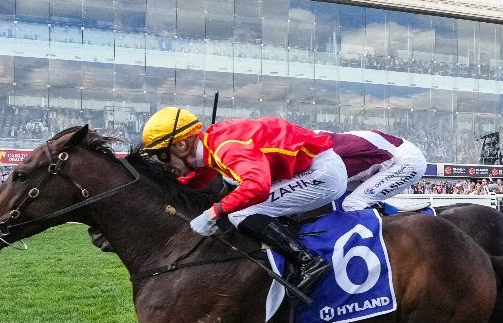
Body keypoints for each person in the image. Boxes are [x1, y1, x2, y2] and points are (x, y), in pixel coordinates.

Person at [141, 106, 348, 295]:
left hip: (322, 173)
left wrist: (212, 213)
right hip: (308, 168)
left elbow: (257, 186)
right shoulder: (211, 144)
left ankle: (308, 261)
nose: (164, 164)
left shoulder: (226, 146)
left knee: (240, 212)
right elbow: (199, 178)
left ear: (181, 145)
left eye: (162, 155)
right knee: (237, 205)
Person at [328, 129, 427, 212]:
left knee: (352, 204)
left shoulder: (332, 160)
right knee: (342, 197)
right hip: (397, 153)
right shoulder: (326, 144)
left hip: (407, 162)